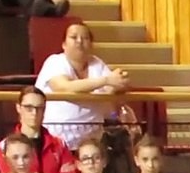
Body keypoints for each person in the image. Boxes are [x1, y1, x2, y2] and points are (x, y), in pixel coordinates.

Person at [35, 23, 130, 151]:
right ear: (64, 44)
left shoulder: (97, 63)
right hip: (57, 137)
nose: (79, 41)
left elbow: (112, 89)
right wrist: (106, 80)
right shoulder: (54, 61)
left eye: (85, 38)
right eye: (74, 37)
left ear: (91, 44)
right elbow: (64, 87)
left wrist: (120, 81)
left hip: (93, 140)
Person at [0, 87, 77, 173]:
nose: (34, 113)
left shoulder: (59, 144)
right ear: (18, 108)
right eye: (29, 108)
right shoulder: (5, 146)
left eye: (39, 108)